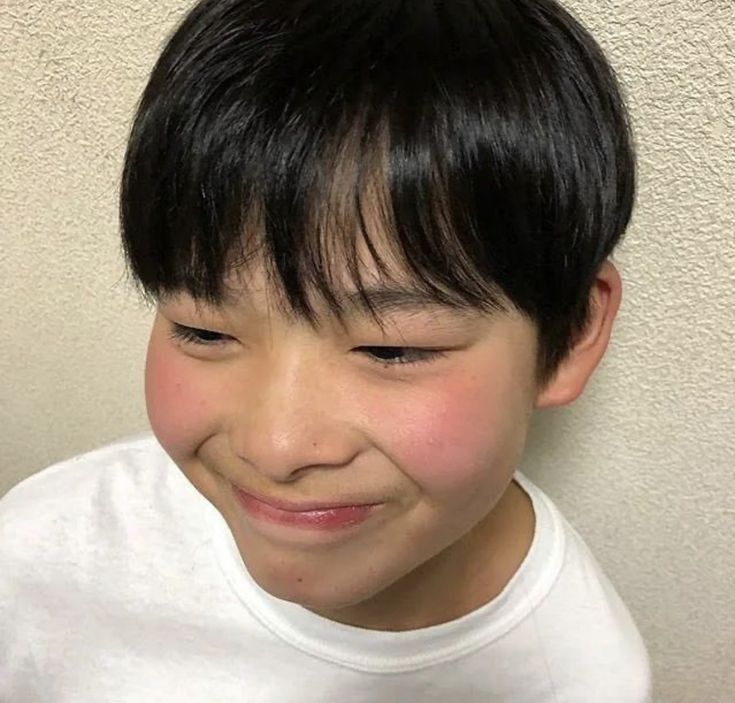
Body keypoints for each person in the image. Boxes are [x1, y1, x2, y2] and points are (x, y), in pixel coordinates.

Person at [0, 0, 653, 700]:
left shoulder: (580, 676)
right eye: (204, 330)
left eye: (391, 349)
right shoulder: (44, 549)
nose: (276, 446)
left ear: (572, 335)